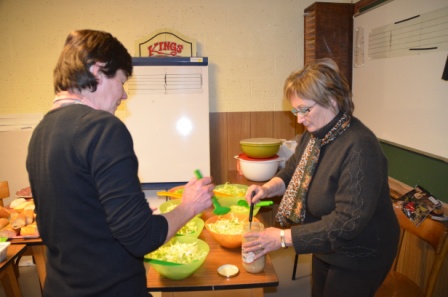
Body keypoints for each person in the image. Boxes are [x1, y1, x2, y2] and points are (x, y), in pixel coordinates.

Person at [26, 29, 213, 297]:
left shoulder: (41, 132)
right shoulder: (102, 128)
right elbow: (142, 238)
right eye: (122, 81)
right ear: (97, 70)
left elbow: (74, 216)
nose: (123, 95)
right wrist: (189, 206)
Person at [242, 58, 400, 297]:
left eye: (305, 109)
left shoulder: (359, 147)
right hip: (326, 244)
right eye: (295, 110)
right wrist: (269, 188)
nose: (299, 119)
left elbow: (347, 222)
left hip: (360, 253)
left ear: (333, 100)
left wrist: (283, 237)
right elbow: (294, 169)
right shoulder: (315, 135)